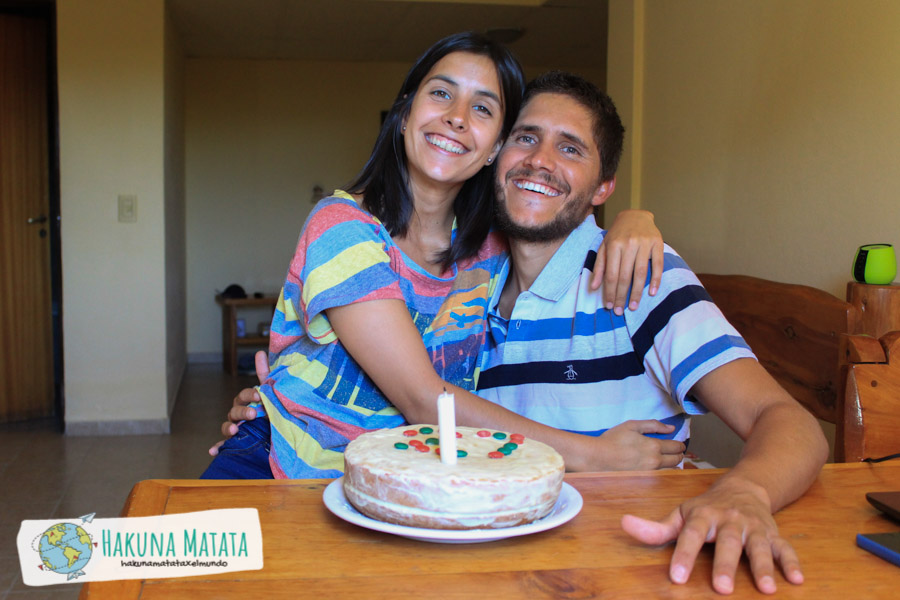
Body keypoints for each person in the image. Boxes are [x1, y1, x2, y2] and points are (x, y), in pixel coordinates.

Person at [220, 70, 830, 595]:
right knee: (157, 563)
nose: (540, 160)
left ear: (603, 188)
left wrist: (746, 492)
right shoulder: (469, 287)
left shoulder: (638, 276)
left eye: (572, 149)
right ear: (494, 157)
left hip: (630, 570)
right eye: (526, 138)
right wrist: (283, 407)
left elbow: (788, 420)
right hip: (493, 571)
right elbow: (410, 390)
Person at [201, 32, 667, 480]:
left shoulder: (491, 247)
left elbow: (558, 219)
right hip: (280, 463)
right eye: (441, 94)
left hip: (406, 479)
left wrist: (632, 218)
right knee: (163, 562)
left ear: (496, 148)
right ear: (405, 113)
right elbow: (425, 400)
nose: (457, 117)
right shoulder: (342, 227)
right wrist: (596, 455)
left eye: (482, 107)